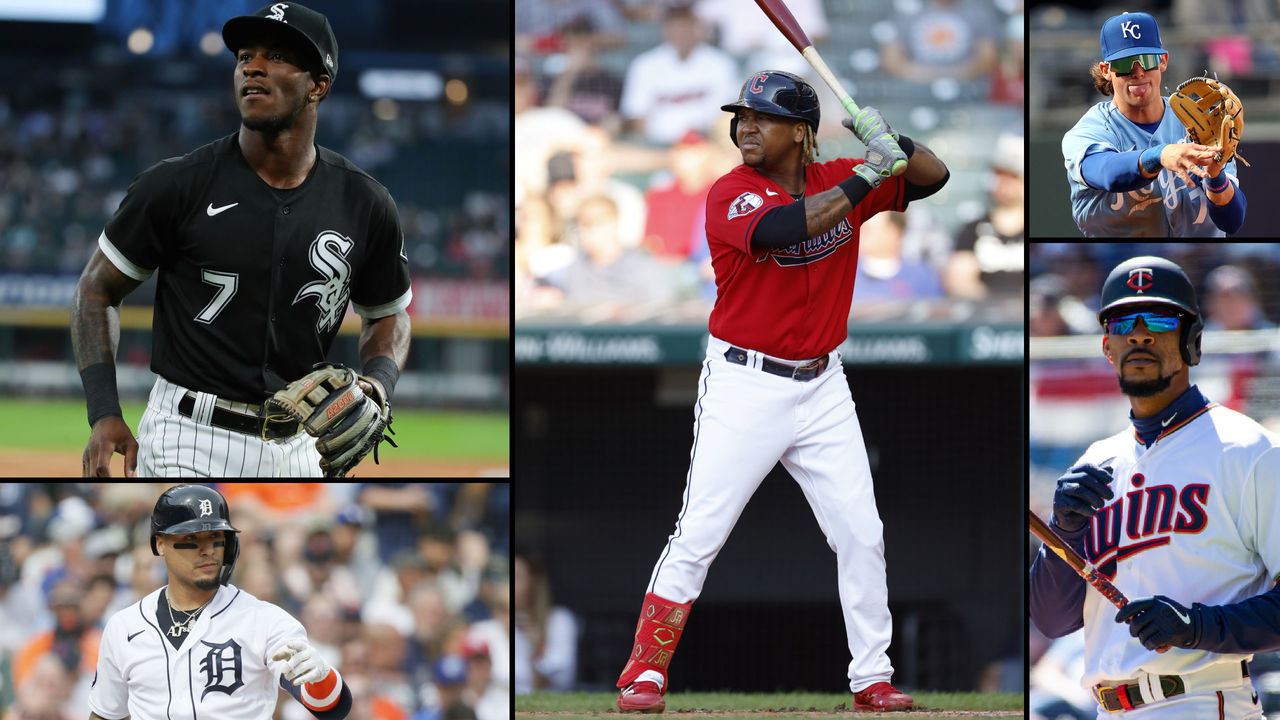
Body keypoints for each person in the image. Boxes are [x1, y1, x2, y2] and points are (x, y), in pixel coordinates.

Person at [613, 70, 949, 713]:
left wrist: (893, 141)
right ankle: (644, 671)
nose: (744, 127)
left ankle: (872, 677)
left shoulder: (840, 176)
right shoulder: (730, 192)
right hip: (745, 381)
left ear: (801, 132)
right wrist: (871, 174)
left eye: (761, 117)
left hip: (824, 383)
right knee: (700, 532)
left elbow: (934, 178)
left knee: (862, 532)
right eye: (741, 116)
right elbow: (785, 230)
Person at [71, 3, 411, 477]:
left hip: (302, 447)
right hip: (187, 436)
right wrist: (104, 411)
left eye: (276, 55)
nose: (252, 65)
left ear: (319, 85)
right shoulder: (176, 184)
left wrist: (377, 384)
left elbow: (388, 314)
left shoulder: (365, 201)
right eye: (245, 55)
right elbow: (95, 289)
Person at [1029, 256, 1280, 717]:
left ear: (1193, 343)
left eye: (1161, 319)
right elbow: (1050, 619)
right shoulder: (1094, 461)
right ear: (1108, 347)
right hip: (1106, 708)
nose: (1139, 334)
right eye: (1124, 321)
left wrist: (1198, 626)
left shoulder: (1251, 450)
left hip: (1204, 700)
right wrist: (1063, 531)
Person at [89, 484, 354, 720]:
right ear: (160, 544)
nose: (207, 550)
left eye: (216, 538)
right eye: (191, 538)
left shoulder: (265, 620)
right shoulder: (125, 625)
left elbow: (330, 708)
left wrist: (323, 679)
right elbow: (106, 712)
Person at [1062, 12, 1246, 236]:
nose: (1138, 72)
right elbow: (1105, 172)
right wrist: (1160, 155)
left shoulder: (1199, 122)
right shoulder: (1091, 129)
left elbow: (1232, 221)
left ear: (1163, 61)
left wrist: (1215, 174)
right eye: (1124, 63)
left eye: (1147, 60)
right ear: (1106, 71)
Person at [619, 2, 739, 145]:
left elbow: (728, 114)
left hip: (707, 143)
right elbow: (636, 115)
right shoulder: (645, 64)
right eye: (676, 28)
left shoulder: (721, 63)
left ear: (698, 29)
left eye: (686, 27)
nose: (681, 33)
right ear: (665, 30)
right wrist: (648, 146)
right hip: (659, 144)